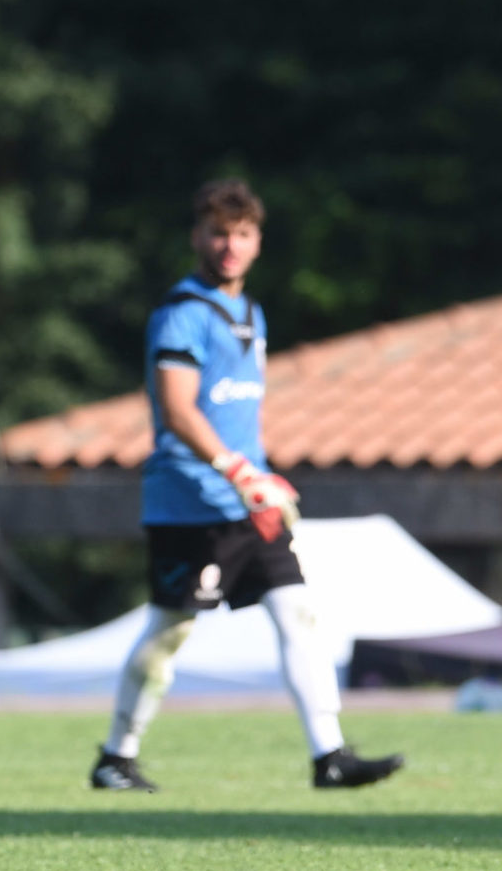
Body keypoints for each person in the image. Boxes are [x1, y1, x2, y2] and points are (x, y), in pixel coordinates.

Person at [90, 178, 405, 793]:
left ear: (258, 241)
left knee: (298, 613)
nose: (230, 246)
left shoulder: (252, 313)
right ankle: (115, 758)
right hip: (191, 504)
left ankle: (330, 756)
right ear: (197, 237)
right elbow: (178, 409)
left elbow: (235, 411)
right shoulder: (183, 313)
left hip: (251, 503)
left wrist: (259, 476)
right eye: (218, 233)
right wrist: (238, 470)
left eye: (242, 234)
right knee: (170, 631)